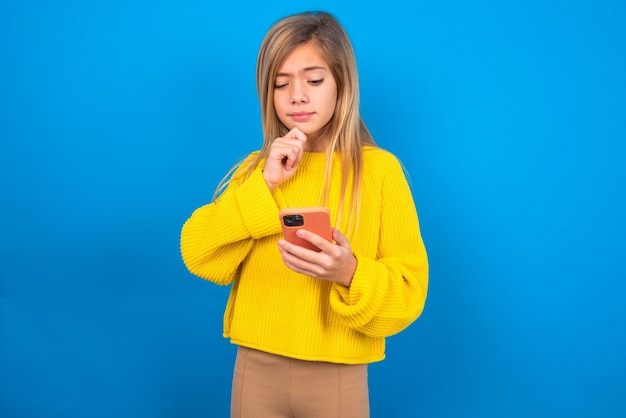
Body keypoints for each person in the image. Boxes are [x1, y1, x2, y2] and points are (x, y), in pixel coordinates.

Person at [180, 10, 428, 418]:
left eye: (314, 81)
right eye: (281, 83)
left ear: (341, 85)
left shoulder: (381, 172)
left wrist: (348, 272)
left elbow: (410, 293)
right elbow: (199, 255)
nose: (297, 95)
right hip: (255, 368)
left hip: (336, 375)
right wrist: (265, 185)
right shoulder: (256, 170)